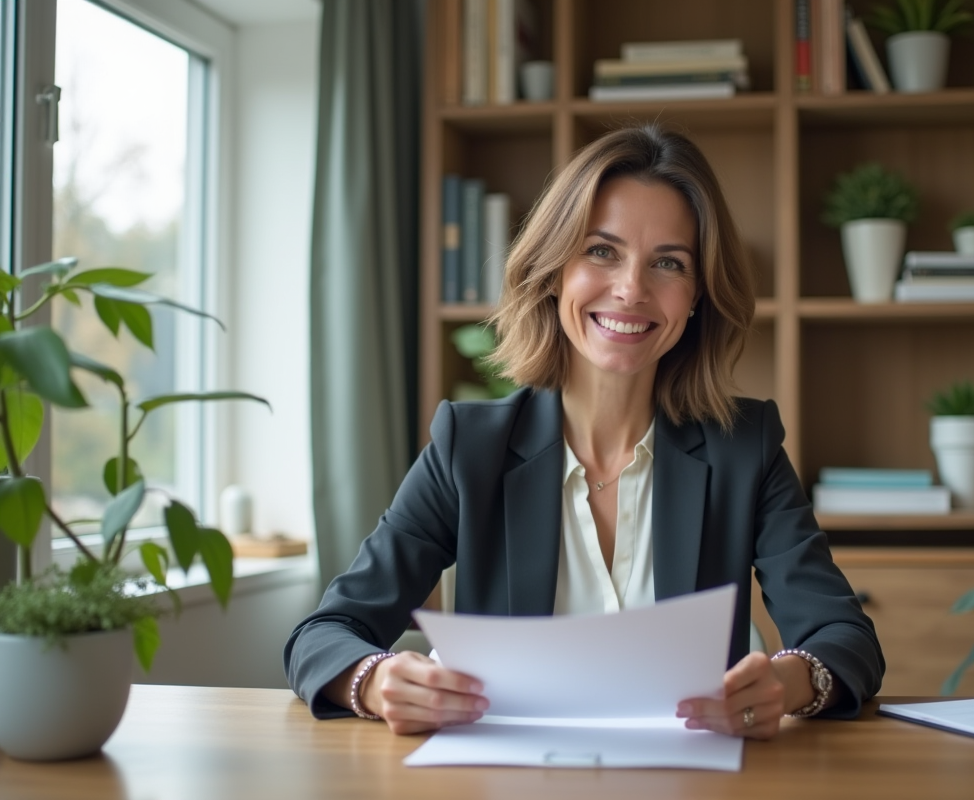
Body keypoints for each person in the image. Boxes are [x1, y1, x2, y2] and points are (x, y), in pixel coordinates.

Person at [285, 124, 884, 740]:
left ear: (697, 295)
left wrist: (790, 680)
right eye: (601, 251)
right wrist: (376, 680)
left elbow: (845, 638)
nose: (631, 289)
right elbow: (324, 635)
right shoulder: (471, 447)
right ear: (553, 270)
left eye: (668, 263)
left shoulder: (744, 447)